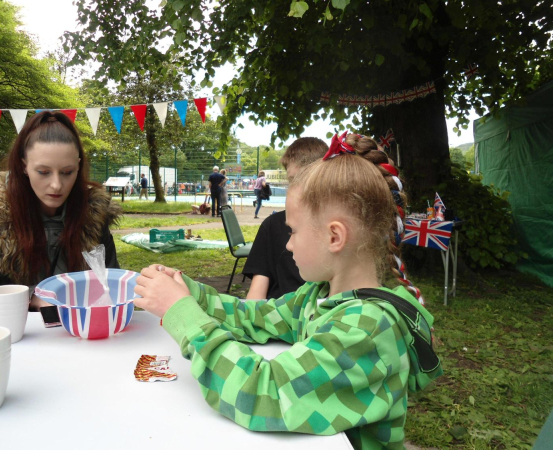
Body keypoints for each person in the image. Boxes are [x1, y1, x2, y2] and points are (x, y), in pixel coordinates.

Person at [133, 130, 442, 449]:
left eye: (293, 231)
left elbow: (260, 392)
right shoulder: (320, 294)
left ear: (334, 237)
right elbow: (253, 316)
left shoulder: (366, 331)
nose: (289, 244)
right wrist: (189, 293)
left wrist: (181, 314)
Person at [0, 111, 122, 312]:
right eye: (43, 172)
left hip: (79, 336)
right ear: (24, 166)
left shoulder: (93, 214)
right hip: (13, 338)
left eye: (67, 172)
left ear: (78, 167)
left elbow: (113, 286)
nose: (56, 185)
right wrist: (29, 300)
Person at [243, 137, 327, 299]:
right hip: (275, 317)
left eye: (303, 179)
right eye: (292, 181)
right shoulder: (272, 225)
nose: (289, 245)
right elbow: (255, 297)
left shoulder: (333, 227)